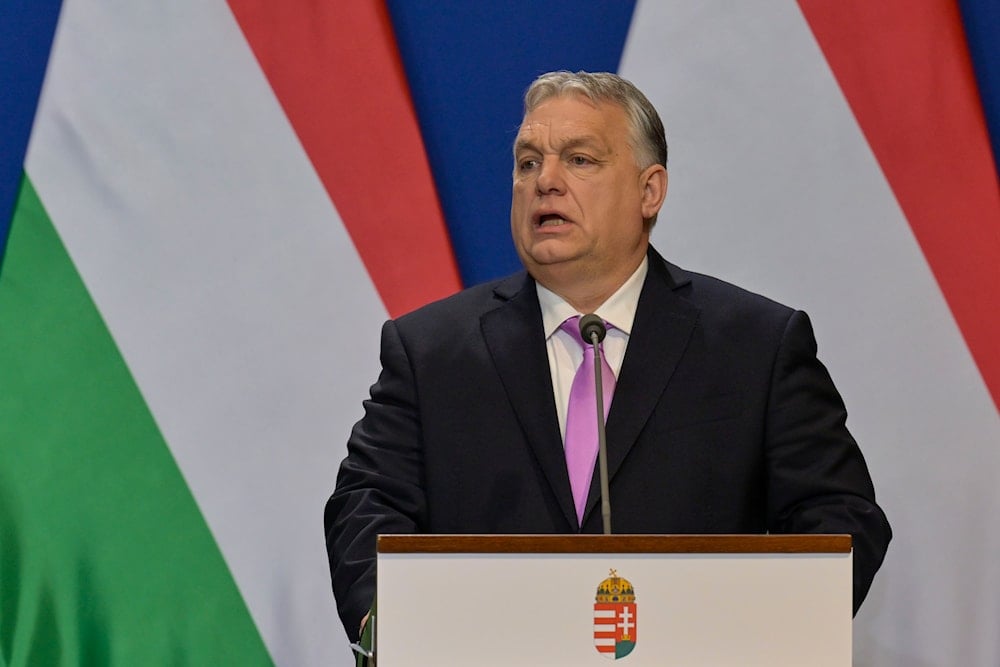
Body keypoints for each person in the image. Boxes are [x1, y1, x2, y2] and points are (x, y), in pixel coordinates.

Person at [324, 70, 891, 639]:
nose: (545, 181)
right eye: (527, 162)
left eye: (579, 160)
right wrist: (392, 629)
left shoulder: (755, 344)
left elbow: (840, 516)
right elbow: (365, 503)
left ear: (650, 191)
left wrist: (762, 633)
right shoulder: (430, 352)